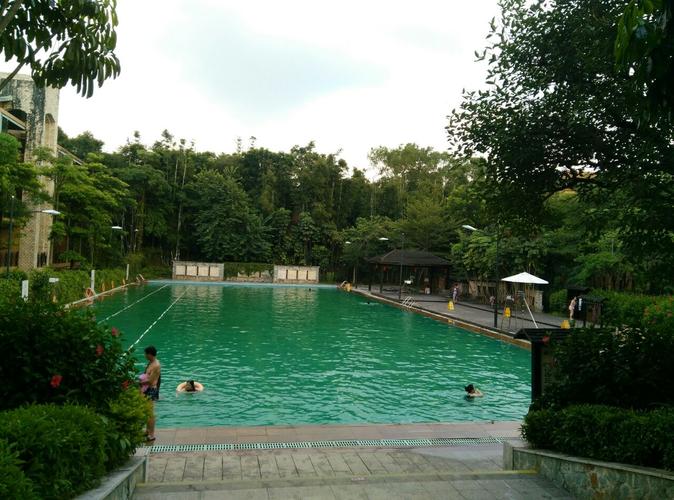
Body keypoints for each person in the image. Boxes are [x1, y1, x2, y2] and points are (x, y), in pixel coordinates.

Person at [144, 345, 161, 442]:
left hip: (151, 389)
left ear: (150, 354)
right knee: (147, 411)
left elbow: (151, 381)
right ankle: (147, 430)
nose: (145, 356)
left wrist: (137, 382)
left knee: (150, 413)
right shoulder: (150, 363)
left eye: (146, 354)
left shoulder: (156, 365)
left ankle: (151, 435)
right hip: (146, 389)